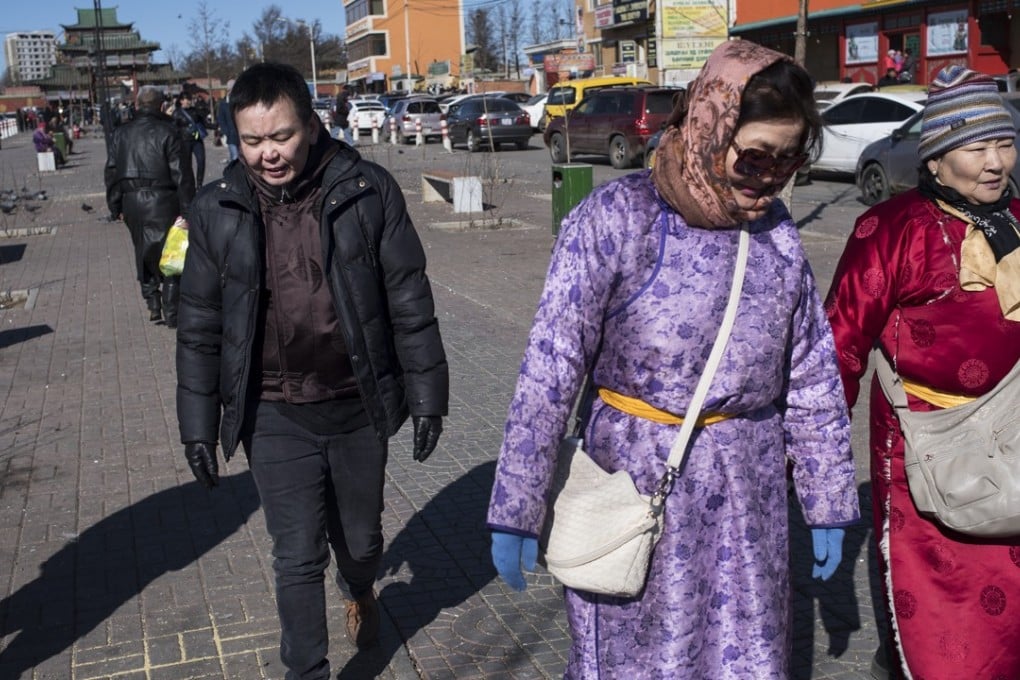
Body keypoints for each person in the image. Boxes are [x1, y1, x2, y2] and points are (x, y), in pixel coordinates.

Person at [487, 40, 860, 678]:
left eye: (790, 159)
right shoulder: (614, 220)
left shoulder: (776, 237)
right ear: (710, 128)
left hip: (749, 496)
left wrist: (828, 498)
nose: (771, 178)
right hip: (636, 491)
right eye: (755, 158)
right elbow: (549, 370)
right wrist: (518, 504)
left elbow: (812, 377)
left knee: (744, 656)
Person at [174, 62, 449, 680]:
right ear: (235, 138)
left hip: (356, 405)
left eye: (281, 137)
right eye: (252, 141)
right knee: (295, 555)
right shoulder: (216, 209)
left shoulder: (367, 191)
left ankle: (360, 588)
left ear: (311, 124)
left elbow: (409, 298)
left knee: (361, 543)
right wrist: (197, 426)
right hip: (273, 414)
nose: (268, 154)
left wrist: (428, 395)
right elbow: (199, 328)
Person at [825, 65, 1020, 680]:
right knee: (941, 626)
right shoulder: (890, 230)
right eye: (975, 147)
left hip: (1015, 431)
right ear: (935, 160)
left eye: (1004, 143)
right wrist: (819, 473)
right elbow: (838, 349)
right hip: (929, 450)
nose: (995, 162)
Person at [104, 86, 195, 326]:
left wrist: (115, 206)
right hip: (163, 200)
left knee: (142, 250)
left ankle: (152, 302)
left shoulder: (120, 133)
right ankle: (171, 310)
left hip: (131, 200)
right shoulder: (169, 132)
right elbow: (182, 175)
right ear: (162, 106)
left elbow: (111, 171)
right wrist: (188, 211)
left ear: (136, 105)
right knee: (172, 254)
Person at [173, 91, 207, 187]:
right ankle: (189, 184)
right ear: (181, 101)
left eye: (189, 99)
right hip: (184, 141)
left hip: (197, 140)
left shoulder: (195, 110)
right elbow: (173, 128)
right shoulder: (177, 113)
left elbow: (203, 123)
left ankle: (199, 184)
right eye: (186, 99)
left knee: (201, 161)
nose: (188, 102)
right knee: (187, 165)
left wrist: (215, 126)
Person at [216, 81, 239, 162]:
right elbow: (221, 119)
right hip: (231, 135)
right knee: (235, 157)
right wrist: (226, 132)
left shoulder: (239, 102)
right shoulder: (223, 104)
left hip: (241, 135)